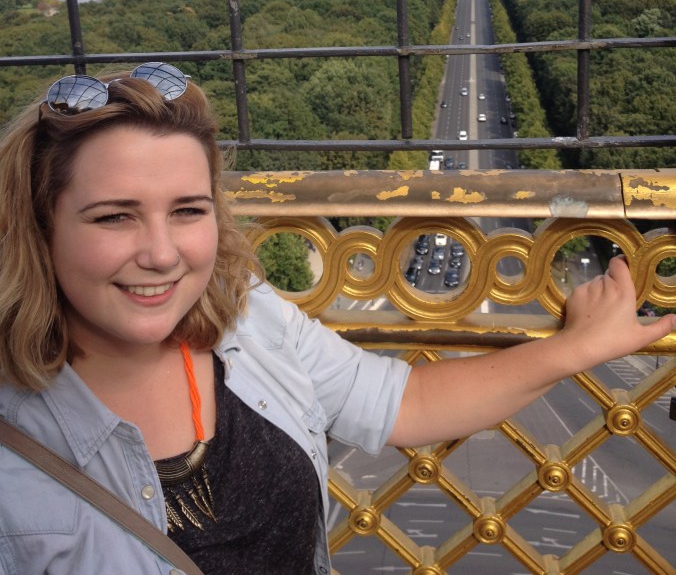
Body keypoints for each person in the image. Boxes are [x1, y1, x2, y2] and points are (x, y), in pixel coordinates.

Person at [0, 62, 673, 575]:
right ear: (41, 227)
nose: (160, 252)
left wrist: (577, 348)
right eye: (114, 215)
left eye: (187, 210)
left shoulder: (247, 318)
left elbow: (404, 400)